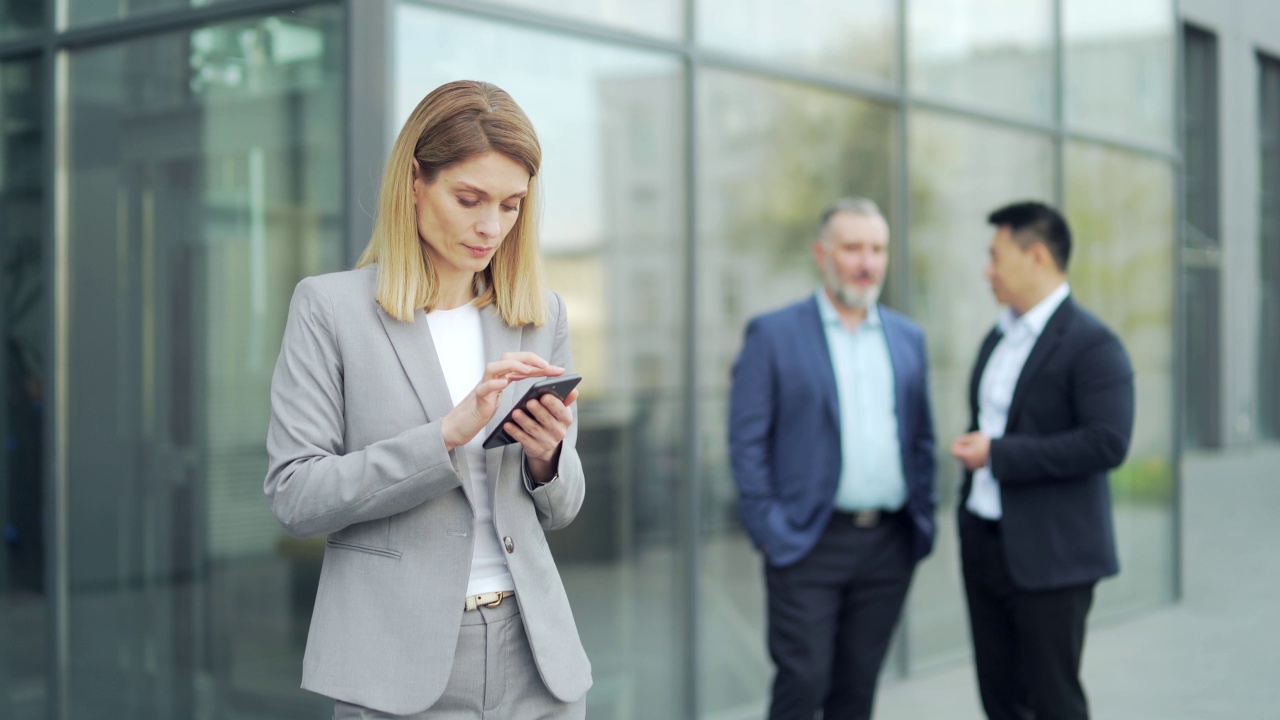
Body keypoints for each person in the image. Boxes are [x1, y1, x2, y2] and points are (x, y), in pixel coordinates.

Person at [264, 80, 590, 719]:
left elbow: (565, 507)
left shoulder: (537, 315)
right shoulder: (330, 310)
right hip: (395, 665)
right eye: (469, 198)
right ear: (415, 180)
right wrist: (446, 433)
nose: (490, 226)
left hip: (537, 659)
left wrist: (548, 456)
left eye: (511, 205)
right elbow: (295, 496)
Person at [729, 198, 937, 720]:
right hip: (807, 540)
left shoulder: (908, 337)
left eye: (877, 249)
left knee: (857, 689)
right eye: (853, 248)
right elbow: (747, 442)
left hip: (887, 544)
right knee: (803, 683)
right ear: (823, 254)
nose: (867, 262)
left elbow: (922, 439)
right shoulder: (773, 334)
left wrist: (924, 516)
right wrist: (770, 527)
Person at [950, 201, 1135, 720]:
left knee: (1053, 702)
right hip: (986, 542)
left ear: (1036, 257)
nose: (987, 270)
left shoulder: (1093, 344)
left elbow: (1107, 442)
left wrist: (996, 454)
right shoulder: (998, 337)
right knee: (1000, 698)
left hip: (1053, 557)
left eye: (995, 256)